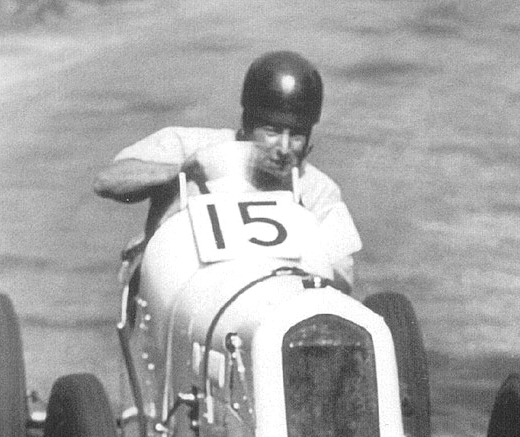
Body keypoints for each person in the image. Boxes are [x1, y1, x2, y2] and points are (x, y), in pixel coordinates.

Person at [93, 50, 362, 293]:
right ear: (246, 125)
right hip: (182, 296)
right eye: (271, 131)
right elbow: (107, 182)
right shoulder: (192, 145)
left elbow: (342, 279)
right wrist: (180, 171)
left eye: (296, 136)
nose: (283, 147)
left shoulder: (319, 189)